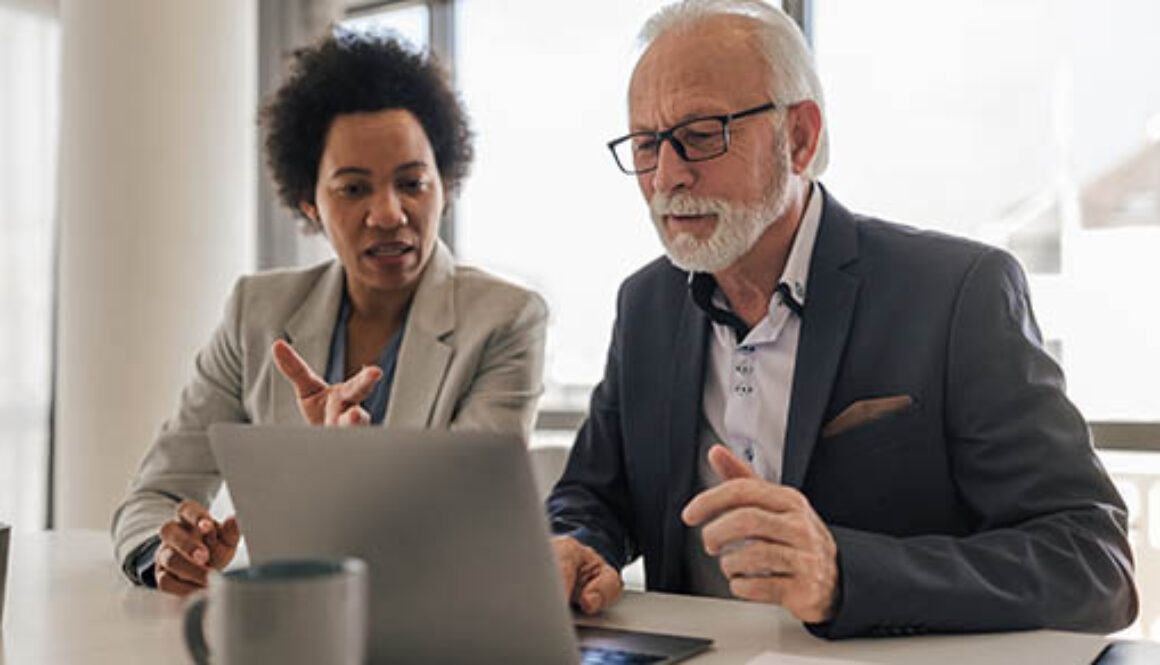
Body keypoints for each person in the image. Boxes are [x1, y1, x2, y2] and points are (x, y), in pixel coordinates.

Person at [548, 0, 1137, 638]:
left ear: (798, 138)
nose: (667, 176)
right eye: (645, 143)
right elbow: (593, 498)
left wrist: (843, 575)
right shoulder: (646, 306)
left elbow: (1094, 566)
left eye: (699, 135)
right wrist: (578, 546)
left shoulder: (954, 293)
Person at [112, 32, 547, 596]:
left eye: (412, 183)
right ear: (309, 204)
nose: (389, 213)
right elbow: (154, 495)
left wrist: (344, 470)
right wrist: (170, 553)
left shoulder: (507, 321)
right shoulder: (256, 314)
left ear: (445, 185)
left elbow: (459, 525)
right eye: (353, 188)